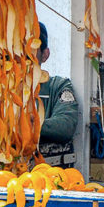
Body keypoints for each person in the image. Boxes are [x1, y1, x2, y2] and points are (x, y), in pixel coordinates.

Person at [37, 22, 80, 168]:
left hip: (50, 178)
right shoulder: (3, 89)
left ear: (45, 54)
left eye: (30, 50)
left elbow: (65, 125)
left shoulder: (59, 86)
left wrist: (26, 125)